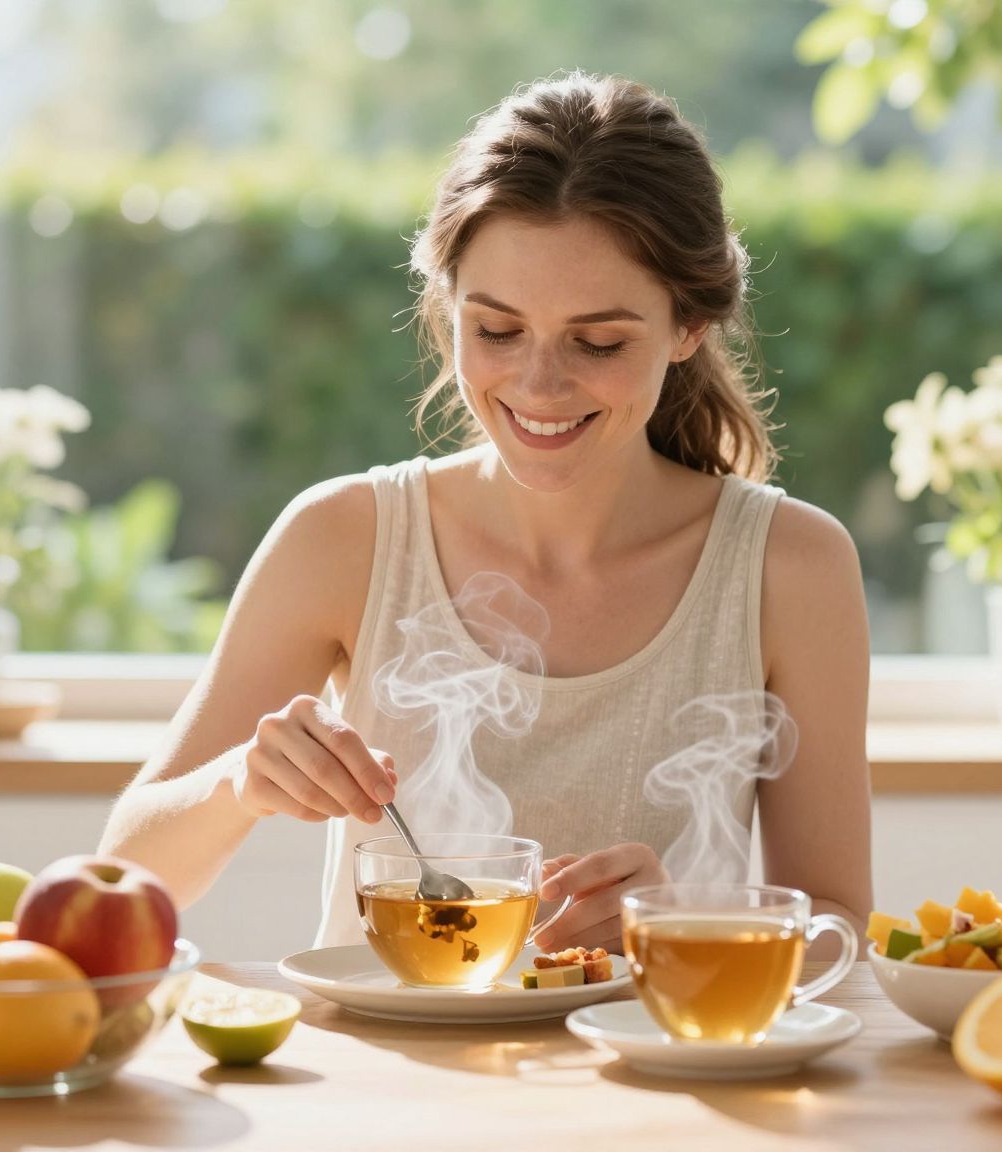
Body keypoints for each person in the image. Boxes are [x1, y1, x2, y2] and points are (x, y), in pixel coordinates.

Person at [101, 72, 872, 955]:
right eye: (497, 331)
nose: (539, 386)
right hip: (386, 1085)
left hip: (655, 1088)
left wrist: (686, 933)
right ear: (446, 307)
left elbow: (838, 925)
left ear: (688, 325)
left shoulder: (790, 566)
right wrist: (242, 782)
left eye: (600, 342)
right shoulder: (344, 540)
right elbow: (127, 879)